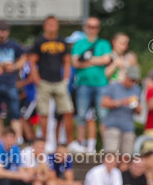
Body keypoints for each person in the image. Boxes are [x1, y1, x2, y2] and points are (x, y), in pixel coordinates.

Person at [29, 15, 75, 144]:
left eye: (54, 24)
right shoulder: (39, 42)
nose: (52, 27)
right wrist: (36, 79)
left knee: (67, 111)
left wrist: (66, 78)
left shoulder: (62, 41)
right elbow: (32, 62)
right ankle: (44, 142)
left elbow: (67, 61)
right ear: (45, 26)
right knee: (44, 113)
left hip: (59, 82)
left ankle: (70, 143)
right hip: (44, 82)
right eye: (49, 24)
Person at [71, 17, 112, 154]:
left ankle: (107, 146)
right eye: (89, 26)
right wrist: (96, 61)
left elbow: (106, 60)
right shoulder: (79, 44)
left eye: (94, 27)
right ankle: (81, 143)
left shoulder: (104, 43)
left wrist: (87, 59)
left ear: (98, 29)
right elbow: (75, 63)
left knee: (102, 115)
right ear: (85, 27)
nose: (91, 29)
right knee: (82, 115)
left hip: (101, 84)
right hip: (83, 84)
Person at [0, 21, 27, 140]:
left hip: (10, 83)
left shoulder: (13, 45)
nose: (2, 33)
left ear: (8, 32)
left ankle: (17, 139)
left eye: (5, 30)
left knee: (15, 113)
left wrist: (14, 67)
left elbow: (23, 58)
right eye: (0, 30)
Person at [101, 65, 142, 157]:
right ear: (126, 76)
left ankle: (123, 171)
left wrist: (136, 106)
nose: (133, 82)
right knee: (111, 155)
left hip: (128, 128)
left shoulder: (136, 89)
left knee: (126, 157)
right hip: (113, 126)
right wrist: (121, 102)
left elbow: (140, 112)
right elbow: (104, 103)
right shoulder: (113, 86)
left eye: (135, 80)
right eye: (131, 79)